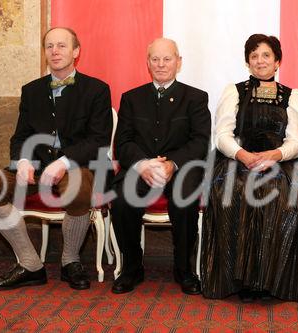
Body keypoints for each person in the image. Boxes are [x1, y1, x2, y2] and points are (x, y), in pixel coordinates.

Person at [0, 27, 113, 291]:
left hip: (77, 167)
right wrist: (23, 161)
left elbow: (98, 140)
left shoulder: (96, 89)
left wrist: (63, 163)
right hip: (35, 168)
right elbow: (19, 138)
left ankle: (70, 261)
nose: (55, 51)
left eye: (62, 46)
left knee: (79, 186)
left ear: (76, 51)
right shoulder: (31, 91)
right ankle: (30, 264)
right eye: (50, 46)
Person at [200, 34, 298, 302]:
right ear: (247, 62)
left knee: (289, 192)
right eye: (254, 56)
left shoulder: (293, 95)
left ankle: (277, 281)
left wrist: (275, 155)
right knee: (234, 189)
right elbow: (221, 135)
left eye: (266, 55)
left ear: (277, 61)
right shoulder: (234, 91)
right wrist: (243, 155)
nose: (260, 61)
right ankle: (240, 280)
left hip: (280, 160)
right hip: (237, 158)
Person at [110, 38, 211, 295]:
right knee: (122, 200)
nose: (161, 64)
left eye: (167, 59)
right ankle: (132, 268)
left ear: (179, 62)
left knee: (184, 200)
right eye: (155, 59)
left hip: (181, 168)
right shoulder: (132, 98)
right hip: (140, 167)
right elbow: (122, 143)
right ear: (147, 63)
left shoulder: (196, 98)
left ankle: (184, 270)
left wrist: (173, 165)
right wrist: (144, 164)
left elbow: (199, 142)